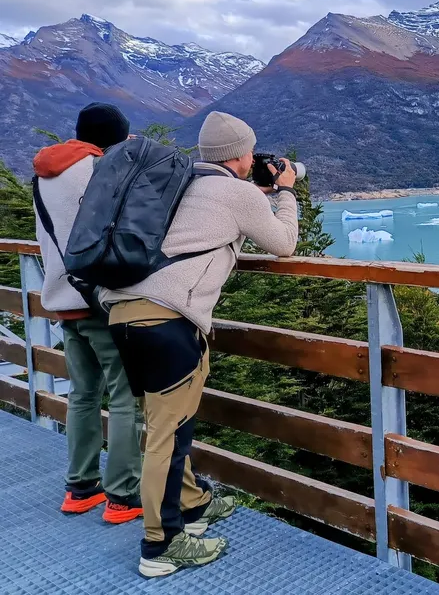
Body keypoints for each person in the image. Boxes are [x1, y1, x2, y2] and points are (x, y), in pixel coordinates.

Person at [102, 112, 300, 578]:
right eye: (250, 152)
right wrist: (286, 191)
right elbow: (284, 243)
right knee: (166, 437)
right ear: (239, 155)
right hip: (166, 322)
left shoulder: (179, 181)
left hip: (124, 314)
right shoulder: (236, 191)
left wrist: (257, 195)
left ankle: (191, 506)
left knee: (165, 425)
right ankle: (161, 545)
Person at [32, 103, 143, 523]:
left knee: (82, 395)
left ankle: (81, 488)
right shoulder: (101, 171)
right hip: (99, 301)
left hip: (63, 300)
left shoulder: (45, 175)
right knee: (124, 398)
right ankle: (123, 496)